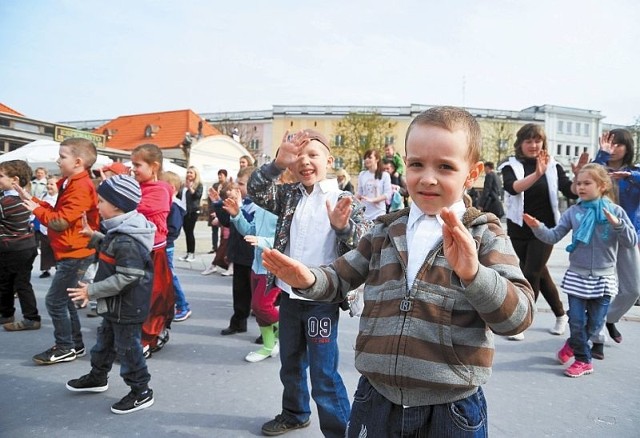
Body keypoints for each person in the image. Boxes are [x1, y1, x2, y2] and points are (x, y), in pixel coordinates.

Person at [261, 106, 535, 437]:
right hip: (375, 400)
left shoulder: (483, 233)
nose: (427, 177)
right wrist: (308, 279)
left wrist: (475, 275)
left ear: (472, 173)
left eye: (445, 167)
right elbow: (339, 276)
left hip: (451, 409)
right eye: (417, 164)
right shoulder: (385, 230)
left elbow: (518, 317)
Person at [248, 128, 370, 437]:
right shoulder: (290, 195)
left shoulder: (343, 199)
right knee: (290, 363)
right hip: (289, 297)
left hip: (321, 301)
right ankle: (295, 413)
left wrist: (342, 229)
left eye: (312, 155)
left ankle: (341, 431)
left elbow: (364, 244)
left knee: (323, 374)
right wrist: (277, 164)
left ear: (329, 159)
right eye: (298, 157)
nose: (305, 162)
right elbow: (256, 191)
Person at [524, 163, 637, 377]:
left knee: (594, 325)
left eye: (587, 183)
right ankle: (584, 360)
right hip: (577, 277)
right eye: (578, 183)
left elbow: (630, 242)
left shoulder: (615, 211)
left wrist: (618, 224)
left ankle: (573, 345)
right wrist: (537, 226)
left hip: (604, 279)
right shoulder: (574, 212)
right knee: (576, 322)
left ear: (602, 186)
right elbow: (553, 236)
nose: (581, 187)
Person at [66, 174, 156, 413]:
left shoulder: (127, 238)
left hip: (126, 307)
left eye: (102, 201)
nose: (98, 205)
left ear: (116, 205)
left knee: (128, 349)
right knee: (104, 343)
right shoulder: (121, 230)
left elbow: (128, 275)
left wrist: (91, 291)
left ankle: (141, 391)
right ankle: (98, 377)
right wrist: (95, 237)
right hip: (115, 304)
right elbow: (112, 248)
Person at [15, 138, 100, 363]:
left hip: (76, 253)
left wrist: (36, 209)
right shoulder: (72, 182)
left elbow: (60, 221)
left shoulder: (80, 186)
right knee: (63, 300)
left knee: (55, 301)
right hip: (71, 251)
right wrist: (31, 199)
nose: (58, 160)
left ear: (78, 161)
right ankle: (74, 344)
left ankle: (65, 347)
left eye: (62, 157)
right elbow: (57, 211)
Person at [499, 124, 577, 340]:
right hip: (519, 227)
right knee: (539, 273)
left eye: (537, 141)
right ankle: (561, 314)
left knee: (531, 273)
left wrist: (579, 178)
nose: (534, 145)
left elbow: (568, 189)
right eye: (529, 141)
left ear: (543, 142)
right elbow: (512, 187)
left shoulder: (553, 165)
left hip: (546, 229)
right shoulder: (510, 165)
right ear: (520, 144)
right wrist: (536, 174)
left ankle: (523, 321)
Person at [589, 129, 640, 352]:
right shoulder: (599, 169)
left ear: (628, 148)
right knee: (602, 289)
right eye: (610, 143)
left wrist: (631, 177)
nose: (614, 148)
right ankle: (597, 337)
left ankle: (608, 319)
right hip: (600, 237)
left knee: (633, 290)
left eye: (618, 144)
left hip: (627, 235)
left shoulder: (635, 173)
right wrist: (601, 155)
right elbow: (584, 178)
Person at [226, 181, 281, 362]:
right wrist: (237, 216)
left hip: (273, 267)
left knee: (261, 306)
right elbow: (249, 231)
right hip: (256, 265)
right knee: (258, 310)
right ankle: (268, 347)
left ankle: (291, 330)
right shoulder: (260, 208)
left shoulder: (283, 208)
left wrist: (263, 241)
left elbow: (287, 240)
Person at [130, 143, 174, 358]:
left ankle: (148, 338)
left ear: (154, 166)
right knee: (133, 296)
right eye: (132, 165)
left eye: (137, 165)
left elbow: (134, 208)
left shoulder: (161, 190)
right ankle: (136, 333)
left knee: (153, 297)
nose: (133, 169)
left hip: (153, 251)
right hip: (134, 250)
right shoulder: (137, 186)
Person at [212, 170, 256, 336]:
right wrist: (217, 202)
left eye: (242, 184)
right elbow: (226, 222)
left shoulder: (257, 206)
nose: (237, 187)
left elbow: (249, 226)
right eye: (238, 183)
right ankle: (238, 322)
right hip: (239, 255)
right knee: (239, 292)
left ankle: (266, 330)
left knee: (258, 297)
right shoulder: (241, 202)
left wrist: (238, 210)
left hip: (254, 257)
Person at [0, 160, 41, 331]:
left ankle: (30, 317)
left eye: (1, 176)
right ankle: (7, 314)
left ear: (14, 180)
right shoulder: (25, 198)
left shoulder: (6, 202)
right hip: (26, 246)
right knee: (13, 281)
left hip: (13, 248)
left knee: (14, 283)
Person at [160, 171, 191, 322]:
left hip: (166, 246)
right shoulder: (168, 203)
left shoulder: (174, 206)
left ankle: (183, 305)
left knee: (170, 276)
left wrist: (163, 238)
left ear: (171, 188)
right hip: (163, 245)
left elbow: (173, 229)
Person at [357, 149, 392, 221]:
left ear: (377, 159)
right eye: (365, 158)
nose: (366, 160)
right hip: (364, 214)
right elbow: (359, 194)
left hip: (379, 213)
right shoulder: (362, 174)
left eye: (370, 157)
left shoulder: (385, 175)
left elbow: (388, 194)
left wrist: (373, 200)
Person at [177, 166, 203, 262]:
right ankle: (188, 253)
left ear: (195, 174)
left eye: (191, 173)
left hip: (192, 211)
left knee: (190, 232)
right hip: (184, 211)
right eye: (188, 172)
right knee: (186, 232)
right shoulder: (183, 184)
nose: (189, 174)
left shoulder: (198, 185)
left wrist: (190, 188)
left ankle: (191, 254)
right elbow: (179, 196)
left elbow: (197, 196)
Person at [37, 175, 59, 279]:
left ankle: (59, 267)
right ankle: (46, 269)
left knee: (56, 249)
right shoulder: (44, 195)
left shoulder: (59, 198)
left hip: (55, 227)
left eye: (52, 184)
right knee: (45, 249)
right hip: (44, 228)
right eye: (48, 184)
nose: (49, 186)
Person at [208, 169, 228, 254]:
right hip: (214, 209)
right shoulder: (215, 185)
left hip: (223, 210)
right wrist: (212, 210)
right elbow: (211, 198)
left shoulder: (227, 186)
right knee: (214, 230)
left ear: (225, 176)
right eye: (219, 175)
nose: (220, 176)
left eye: (222, 175)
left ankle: (221, 247)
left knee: (224, 232)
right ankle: (214, 247)